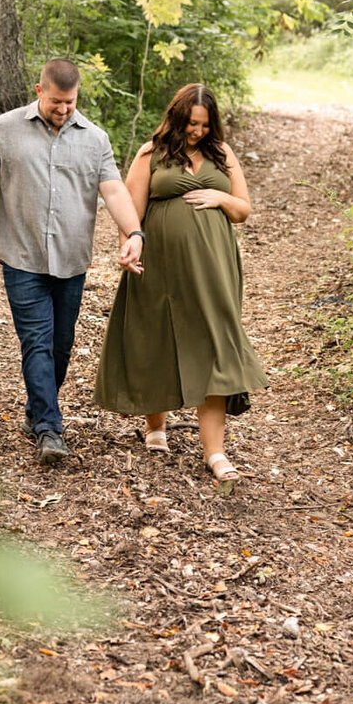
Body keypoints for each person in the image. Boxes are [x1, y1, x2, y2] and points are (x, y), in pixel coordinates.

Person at [0, 59, 145, 466]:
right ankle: (49, 427)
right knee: (37, 343)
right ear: (39, 90)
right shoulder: (4, 129)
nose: (64, 109)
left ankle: (35, 410)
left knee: (61, 346)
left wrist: (134, 233)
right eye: (57, 102)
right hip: (21, 257)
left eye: (71, 102)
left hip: (71, 260)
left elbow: (114, 191)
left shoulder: (94, 139)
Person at [94, 83, 266, 481]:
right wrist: (128, 249)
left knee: (215, 343)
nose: (197, 132)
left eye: (205, 125)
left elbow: (243, 209)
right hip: (160, 265)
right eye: (192, 123)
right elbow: (130, 212)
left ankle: (216, 453)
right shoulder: (150, 153)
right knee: (157, 336)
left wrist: (218, 198)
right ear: (177, 116)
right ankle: (156, 426)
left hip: (213, 269)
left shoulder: (221, 154)